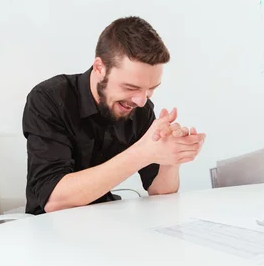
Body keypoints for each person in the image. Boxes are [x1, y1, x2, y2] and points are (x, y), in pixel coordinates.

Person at [22, 16, 205, 215]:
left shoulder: (140, 108)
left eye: (151, 89)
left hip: (109, 221)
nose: (141, 101)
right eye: (131, 87)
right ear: (100, 68)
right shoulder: (49, 98)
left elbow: (160, 191)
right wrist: (141, 153)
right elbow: (54, 200)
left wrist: (171, 158)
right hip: (49, 229)